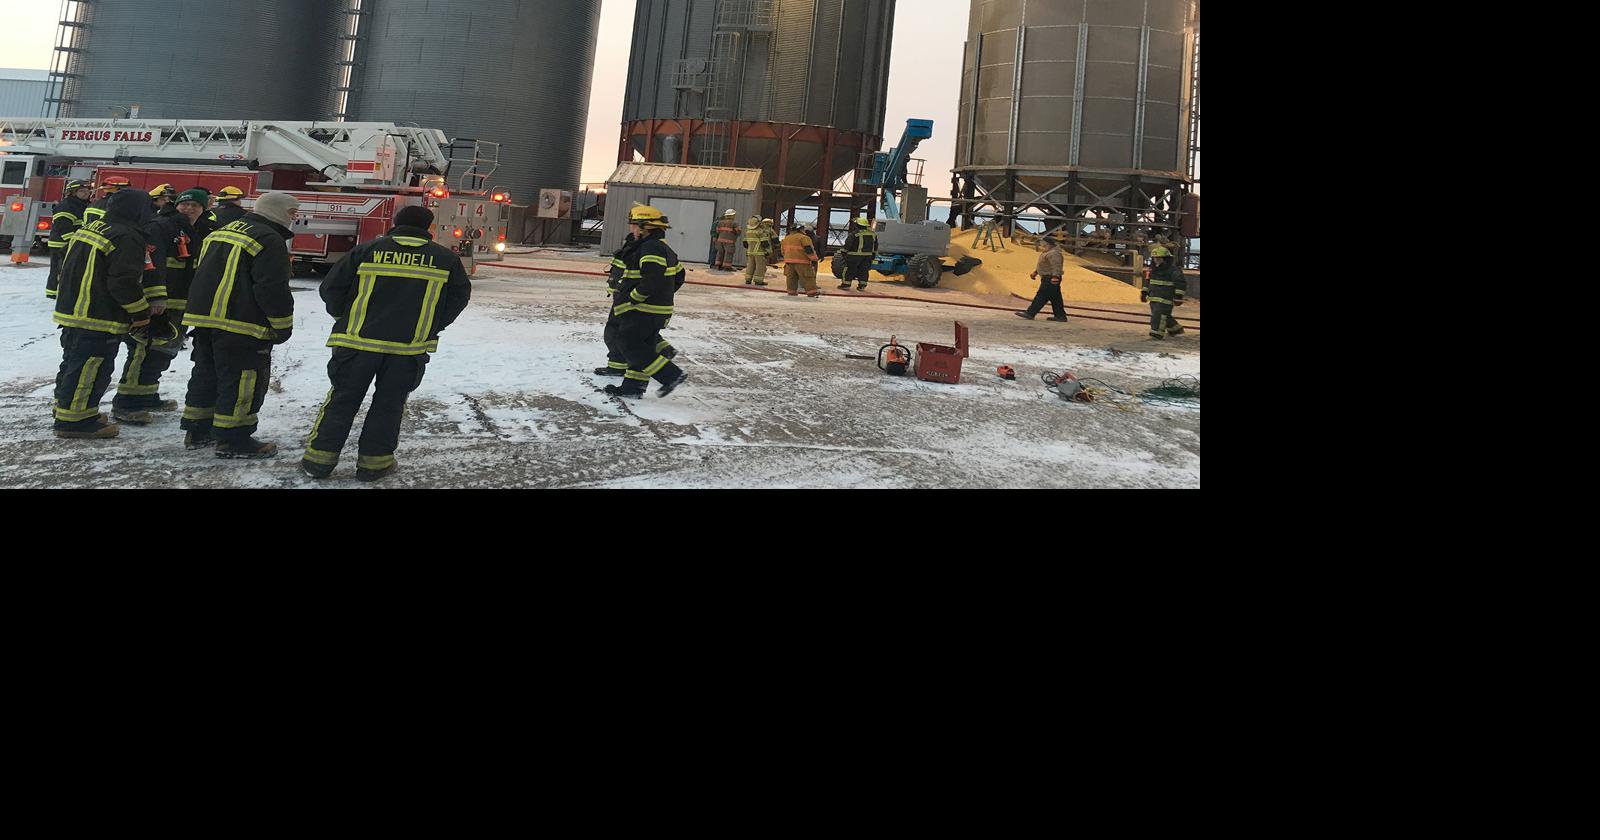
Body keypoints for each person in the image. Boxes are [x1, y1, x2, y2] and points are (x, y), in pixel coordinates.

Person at [301, 205, 472, 481]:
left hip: (357, 343)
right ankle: (374, 465)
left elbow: (330, 288)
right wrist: (432, 325)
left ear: (395, 223)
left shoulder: (366, 250)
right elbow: (458, 298)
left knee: (342, 400)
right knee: (390, 404)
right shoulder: (445, 259)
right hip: (407, 349)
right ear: (428, 228)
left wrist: (344, 317)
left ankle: (318, 462)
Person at [179, 192, 298, 458]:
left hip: (204, 319)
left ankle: (198, 430)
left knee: (206, 374)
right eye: (291, 213)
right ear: (277, 211)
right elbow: (271, 288)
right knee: (242, 380)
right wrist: (282, 326)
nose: (294, 219)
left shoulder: (223, 231)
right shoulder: (269, 239)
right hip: (241, 323)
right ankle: (234, 439)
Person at [48, 188, 152, 440]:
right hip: (98, 314)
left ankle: (68, 408)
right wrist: (141, 313)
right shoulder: (126, 236)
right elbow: (123, 282)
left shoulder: (92, 227)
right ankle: (75, 421)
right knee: (91, 367)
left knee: (72, 363)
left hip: (73, 311)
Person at [108, 186, 193, 423]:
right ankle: (127, 402)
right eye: (184, 204)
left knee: (164, 351)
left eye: (195, 205)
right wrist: (156, 297)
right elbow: (152, 262)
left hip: (181, 301)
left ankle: (146, 394)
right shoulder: (161, 226)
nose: (188, 208)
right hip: (162, 301)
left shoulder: (195, 228)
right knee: (144, 349)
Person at [605, 205, 689, 399]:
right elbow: (679, 276)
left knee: (628, 343)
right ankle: (633, 388)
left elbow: (652, 280)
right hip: (654, 309)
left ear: (645, 228)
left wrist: (634, 298)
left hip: (643, 309)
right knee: (644, 346)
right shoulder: (663, 248)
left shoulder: (650, 248)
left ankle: (671, 375)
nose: (632, 230)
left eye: (634, 225)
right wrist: (664, 296)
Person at [45, 179, 93, 300]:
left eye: (87, 190)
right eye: (82, 191)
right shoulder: (66, 205)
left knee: (67, 269)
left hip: (71, 242)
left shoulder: (81, 204)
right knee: (59, 269)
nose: (86, 193)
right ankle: (53, 293)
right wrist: (73, 242)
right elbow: (63, 227)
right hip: (61, 243)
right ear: (72, 192)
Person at [1016, 236, 1068, 322]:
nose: (1041, 243)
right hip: (1047, 277)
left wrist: (1055, 277)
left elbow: (1056, 266)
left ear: (1047, 243)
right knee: (1055, 298)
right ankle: (1060, 316)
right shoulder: (1047, 252)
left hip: (1050, 278)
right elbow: (1044, 265)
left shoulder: (1054, 253)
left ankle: (1030, 313)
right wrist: (1036, 272)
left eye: (1042, 242)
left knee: (1041, 296)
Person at [1142, 245, 1187, 340]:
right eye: (1155, 258)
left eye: (1159, 258)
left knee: (1158, 316)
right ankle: (1176, 329)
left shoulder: (1173, 270)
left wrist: (1178, 296)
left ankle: (1156, 333)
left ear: (1165, 258)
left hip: (1166, 298)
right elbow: (1148, 281)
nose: (1156, 260)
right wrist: (1144, 292)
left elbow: (1180, 283)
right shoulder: (1152, 270)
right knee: (1163, 315)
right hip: (1153, 298)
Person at [781, 223, 822, 299]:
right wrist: (814, 259)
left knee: (791, 277)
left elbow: (783, 251)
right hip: (802, 262)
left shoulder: (786, 238)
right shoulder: (804, 238)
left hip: (789, 262)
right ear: (799, 229)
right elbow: (809, 250)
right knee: (808, 277)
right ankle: (812, 292)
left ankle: (791, 291)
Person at [840, 217, 877, 291]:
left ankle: (846, 285)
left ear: (857, 225)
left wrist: (843, 252)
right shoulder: (873, 234)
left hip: (854, 256)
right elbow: (875, 246)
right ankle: (862, 286)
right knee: (864, 270)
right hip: (867, 256)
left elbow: (848, 245)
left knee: (849, 270)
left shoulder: (854, 234)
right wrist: (873, 255)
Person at [742, 214, 771, 286]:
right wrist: (768, 250)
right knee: (760, 266)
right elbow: (765, 243)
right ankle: (758, 281)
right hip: (759, 252)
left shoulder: (747, 232)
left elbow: (745, 244)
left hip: (750, 252)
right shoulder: (760, 231)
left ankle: (748, 279)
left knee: (750, 265)